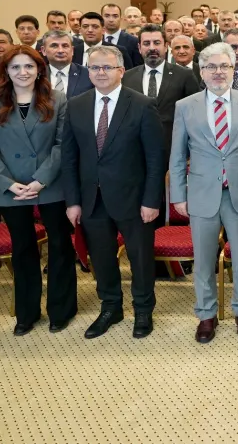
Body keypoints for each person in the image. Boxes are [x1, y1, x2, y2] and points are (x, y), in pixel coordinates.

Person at [61, 45, 166, 340]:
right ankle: (110, 307)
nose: (101, 73)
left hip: (134, 199)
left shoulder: (142, 104)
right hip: (91, 199)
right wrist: (72, 201)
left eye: (107, 67)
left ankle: (143, 309)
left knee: (140, 258)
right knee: (102, 257)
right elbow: (69, 157)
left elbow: (156, 158)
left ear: (121, 70)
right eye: (95, 67)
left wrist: (151, 200)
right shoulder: (76, 105)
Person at [170, 43, 238, 343]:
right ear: (201, 72)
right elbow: (177, 156)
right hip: (201, 193)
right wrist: (178, 195)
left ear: (233, 70)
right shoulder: (185, 106)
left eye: (224, 66)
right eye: (211, 67)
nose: (218, 72)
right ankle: (206, 314)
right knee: (203, 260)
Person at [0, 45, 75, 335]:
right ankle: (27, 313)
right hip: (10, 187)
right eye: (16, 67)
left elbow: (62, 144)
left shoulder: (57, 98)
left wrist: (40, 180)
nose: (23, 72)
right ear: (5, 71)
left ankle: (61, 310)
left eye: (29, 66)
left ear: (39, 69)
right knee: (22, 249)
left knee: (60, 246)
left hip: (50, 183)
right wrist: (9, 183)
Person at [122, 24, 201, 158]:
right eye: (146, 43)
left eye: (157, 43)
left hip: (174, 150)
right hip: (136, 152)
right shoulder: (127, 77)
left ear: (166, 46)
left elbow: (195, 114)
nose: (152, 48)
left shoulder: (184, 75)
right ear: (139, 48)